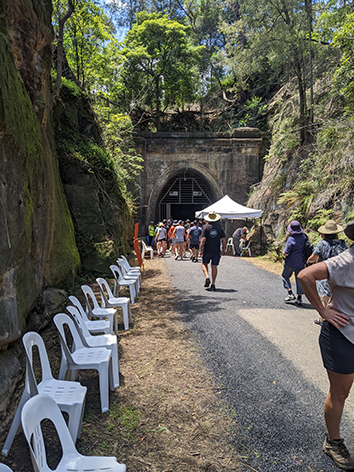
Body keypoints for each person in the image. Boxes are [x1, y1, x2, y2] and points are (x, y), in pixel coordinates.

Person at [298, 221, 354, 471]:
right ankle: (333, 442)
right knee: (340, 392)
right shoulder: (348, 260)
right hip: (343, 334)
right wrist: (322, 311)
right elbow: (304, 275)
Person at [307, 220, 348, 325]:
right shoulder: (342, 243)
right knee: (337, 296)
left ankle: (323, 319)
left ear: (324, 233)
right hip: (340, 274)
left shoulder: (322, 244)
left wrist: (308, 262)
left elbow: (313, 257)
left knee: (325, 297)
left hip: (325, 274)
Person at [282, 220, 307, 306]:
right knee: (299, 279)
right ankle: (299, 298)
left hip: (290, 262)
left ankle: (290, 293)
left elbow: (287, 253)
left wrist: (283, 253)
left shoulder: (291, 239)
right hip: (301, 262)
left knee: (285, 276)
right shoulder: (304, 237)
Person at [199, 211, 226, 291]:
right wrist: (223, 249)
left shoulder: (206, 227)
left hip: (207, 249)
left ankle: (207, 277)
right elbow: (223, 239)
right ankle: (213, 284)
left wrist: (200, 249)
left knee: (204, 263)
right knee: (214, 266)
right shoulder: (220, 227)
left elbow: (203, 239)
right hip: (216, 249)